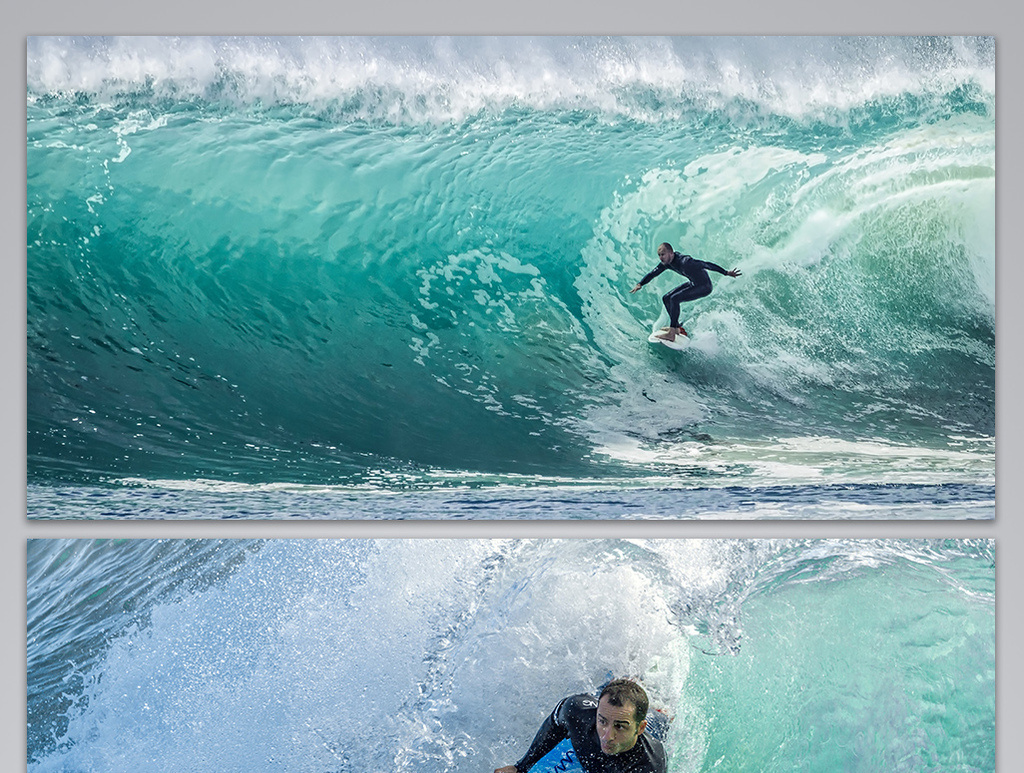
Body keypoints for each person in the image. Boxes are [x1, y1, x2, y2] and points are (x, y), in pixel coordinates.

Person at [493, 679, 667, 773]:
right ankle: (625, 678)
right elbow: (554, 725)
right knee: (610, 688)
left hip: (656, 722)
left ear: (639, 728)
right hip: (605, 702)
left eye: (620, 727)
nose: (607, 736)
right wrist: (520, 766)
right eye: (602, 722)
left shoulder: (649, 765)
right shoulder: (577, 712)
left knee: (664, 714)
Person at [630, 242, 741, 342]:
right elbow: (653, 273)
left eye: (663, 254)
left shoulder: (686, 262)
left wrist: (726, 272)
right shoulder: (667, 263)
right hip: (693, 283)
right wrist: (640, 284)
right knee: (666, 298)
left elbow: (706, 264)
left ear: (671, 253)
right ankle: (677, 328)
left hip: (704, 286)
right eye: (659, 255)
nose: (660, 258)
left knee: (674, 299)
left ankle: (672, 332)